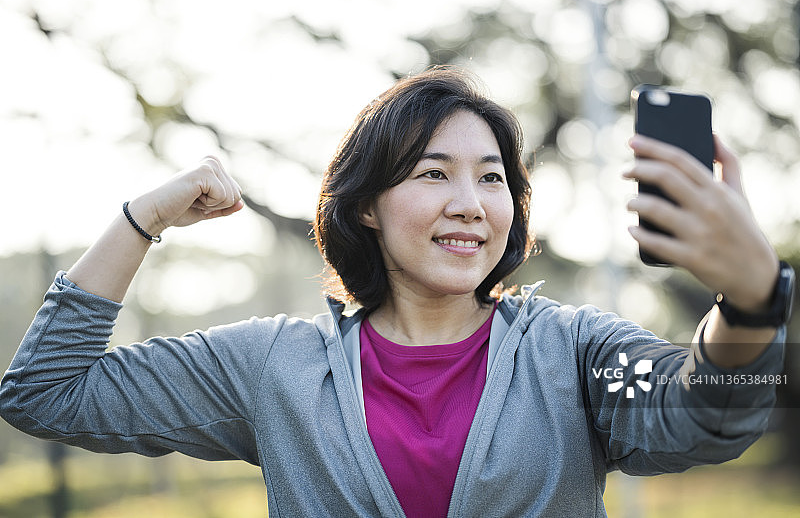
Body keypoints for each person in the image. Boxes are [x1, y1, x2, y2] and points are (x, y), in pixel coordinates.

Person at [0, 67, 791, 518]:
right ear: (368, 204)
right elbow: (44, 392)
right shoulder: (275, 366)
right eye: (433, 173)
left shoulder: (571, 353)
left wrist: (753, 299)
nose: (470, 203)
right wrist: (145, 217)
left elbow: (703, 412)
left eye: (492, 178)